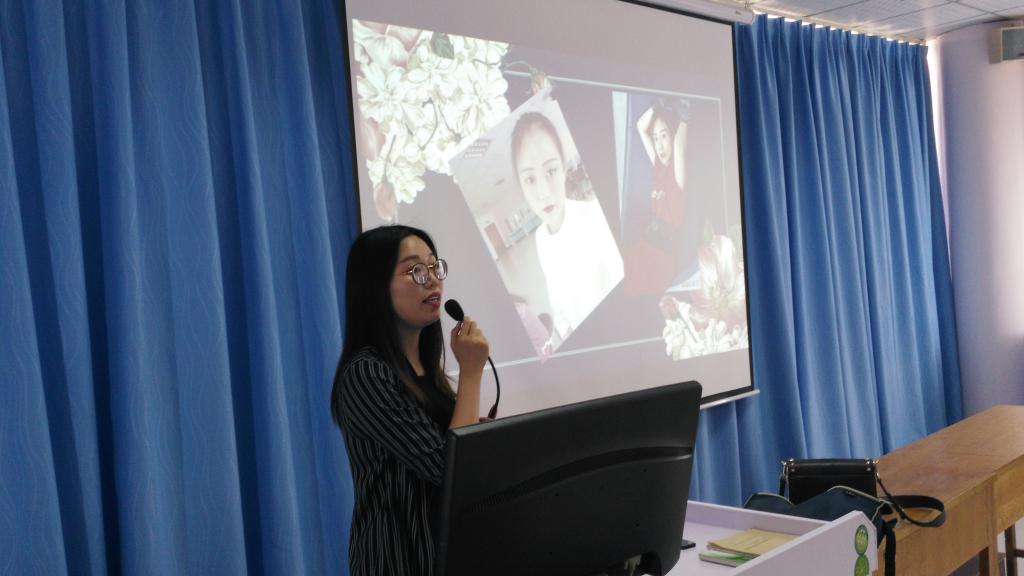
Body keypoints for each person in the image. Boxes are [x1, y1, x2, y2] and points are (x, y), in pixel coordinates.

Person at [331, 225, 489, 576]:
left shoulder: (426, 371)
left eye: (434, 266)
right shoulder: (366, 373)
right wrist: (471, 373)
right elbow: (451, 472)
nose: (431, 279)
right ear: (375, 288)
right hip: (399, 560)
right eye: (414, 270)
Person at [511, 110, 624, 341]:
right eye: (530, 179)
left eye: (551, 171)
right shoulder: (541, 237)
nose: (544, 192)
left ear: (563, 168)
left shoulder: (596, 218)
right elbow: (557, 301)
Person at [624, 100, 692, 295]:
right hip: (645, 246)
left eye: (664, 136)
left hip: (662, 259)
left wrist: (685, 118)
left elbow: (679, 147)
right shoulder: (658, 166)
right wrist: (656, 107)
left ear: (672, 135)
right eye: (655, 139)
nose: (660, 145)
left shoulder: (677, 171)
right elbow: (640, 127)